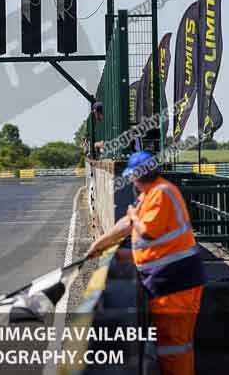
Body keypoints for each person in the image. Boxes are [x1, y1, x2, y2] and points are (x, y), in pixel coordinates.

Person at [84, 151, 205, 375]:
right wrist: (99, 245)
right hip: (168, 281)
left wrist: (134, 215)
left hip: (177, 283)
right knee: (171, 344)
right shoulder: (149, 195)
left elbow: (147, 231)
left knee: (175, 345)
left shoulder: (162, 193)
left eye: (133, 176)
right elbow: (125, 224)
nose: (131, 181)